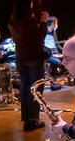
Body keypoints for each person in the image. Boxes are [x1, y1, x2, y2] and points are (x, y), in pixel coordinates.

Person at [9, 0, 49, 131]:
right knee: (36, 89)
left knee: (25, 89)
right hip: (34, 58)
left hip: (21, 58)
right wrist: (43, 22)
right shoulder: (29, 21)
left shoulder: (14, 22)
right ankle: (33, 120)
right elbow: (39, 38)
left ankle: (27, 119)